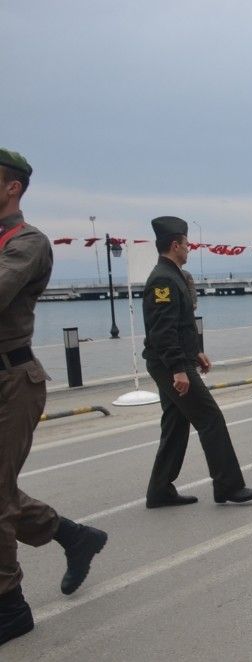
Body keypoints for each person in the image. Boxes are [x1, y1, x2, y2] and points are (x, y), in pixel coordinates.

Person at [0, 149, 109, 646]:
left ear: (13, 187)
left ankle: (9, 607)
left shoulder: (27, 243)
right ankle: (72, 535)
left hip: (12, 382)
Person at [142, 215, 252, 508]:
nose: (189, 248)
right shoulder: (163, 279)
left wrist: (195, 351)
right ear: (175, 245)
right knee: (210, 419)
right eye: (186, 243)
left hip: (175, 359)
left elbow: (179, 325)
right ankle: (228, 486)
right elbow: (162, 331)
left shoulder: (173, 275)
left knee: (175, 424)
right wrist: (178, 369)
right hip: (169, 363)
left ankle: (159, 491)